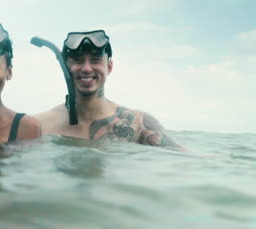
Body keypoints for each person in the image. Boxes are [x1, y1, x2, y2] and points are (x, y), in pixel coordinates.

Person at [35, 30, 183, 150]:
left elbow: (184, 158)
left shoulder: (138, 123)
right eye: (78, 61)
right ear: (66, 67)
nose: (86, 68)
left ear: (109, 67)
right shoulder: (40, 124)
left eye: (95, 60)